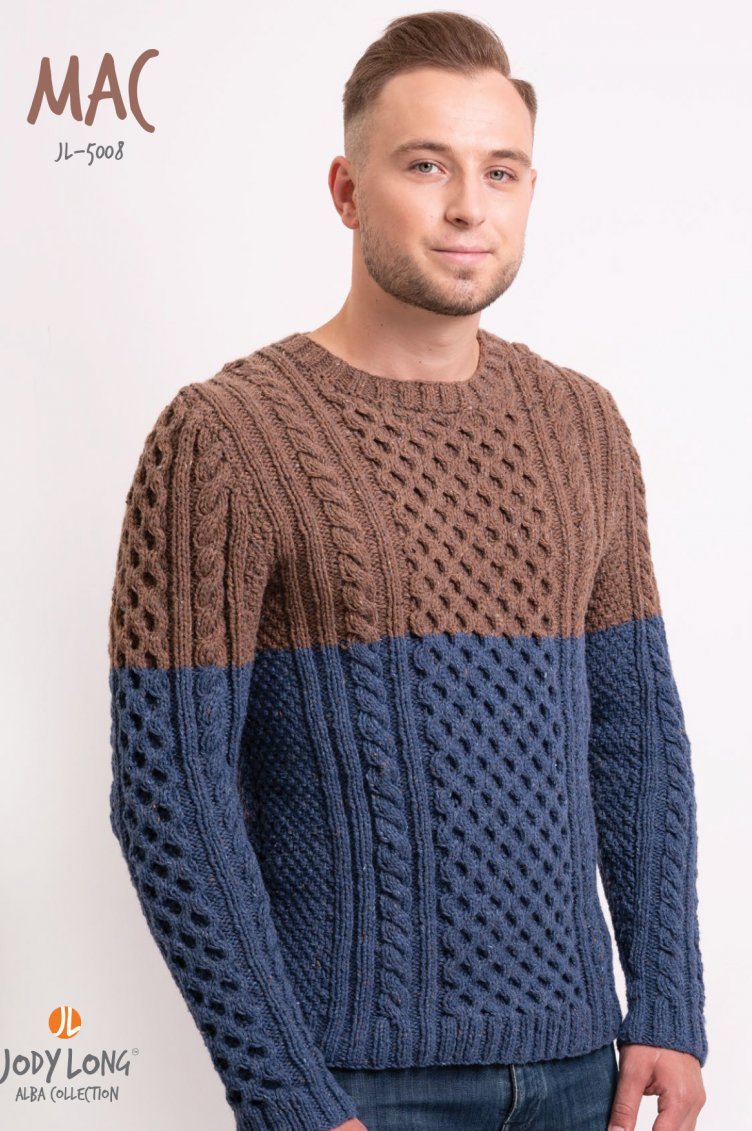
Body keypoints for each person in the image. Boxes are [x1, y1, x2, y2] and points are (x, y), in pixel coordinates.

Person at [107, 11, 708, 1131]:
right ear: (346, 190)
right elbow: (170, 793)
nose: (468, 205)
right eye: (426, 165)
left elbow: (636, 740)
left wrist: (666, 1002)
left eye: (500, 171)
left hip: (586, 1065)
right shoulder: (225, 438)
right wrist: (282, 1088)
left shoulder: (583, 426)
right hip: (356, 1084)